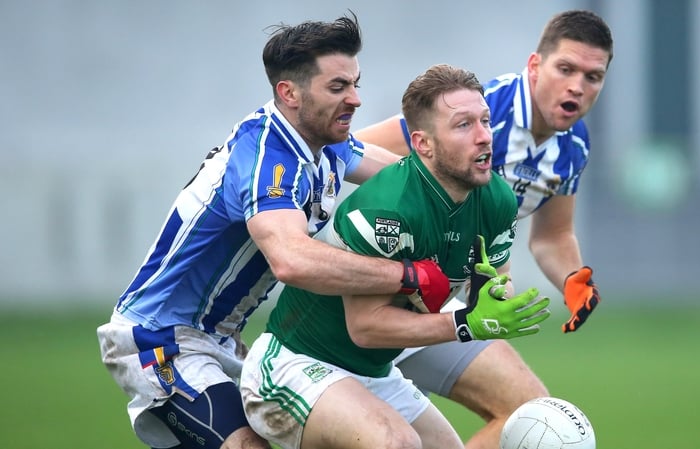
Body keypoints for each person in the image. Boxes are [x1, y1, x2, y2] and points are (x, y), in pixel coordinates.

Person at [96, 13, 451, 449]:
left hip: (227, 340)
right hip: (162, 338)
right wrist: (408, 275)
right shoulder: (267, 158)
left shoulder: (327, 143)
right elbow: (292, 260)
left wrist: (475, 188)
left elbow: (410, 182)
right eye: (338, 87)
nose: (356, 99)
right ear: (289, 93)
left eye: (356, 84)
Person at [240, 63, 551, 449]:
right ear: (423, 144)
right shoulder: (389, 208)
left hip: (373, 371)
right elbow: (366, 328)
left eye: (485, 121)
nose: (484, 136)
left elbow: (494, 286)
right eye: (463, 125)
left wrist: (496, 300)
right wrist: (465, 323)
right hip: (295, 364)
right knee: (397, 443)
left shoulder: (496, 199)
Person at [355, 9, 613, 449]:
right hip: (375, 302)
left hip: (444, 306)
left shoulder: (574, 145)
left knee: (529, 407)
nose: (577, 86)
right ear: (535, 66)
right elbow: (352, 151)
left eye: (593, 77)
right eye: (566, 69)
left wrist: (574, 282)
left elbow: (552, 237)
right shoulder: (477, 110)